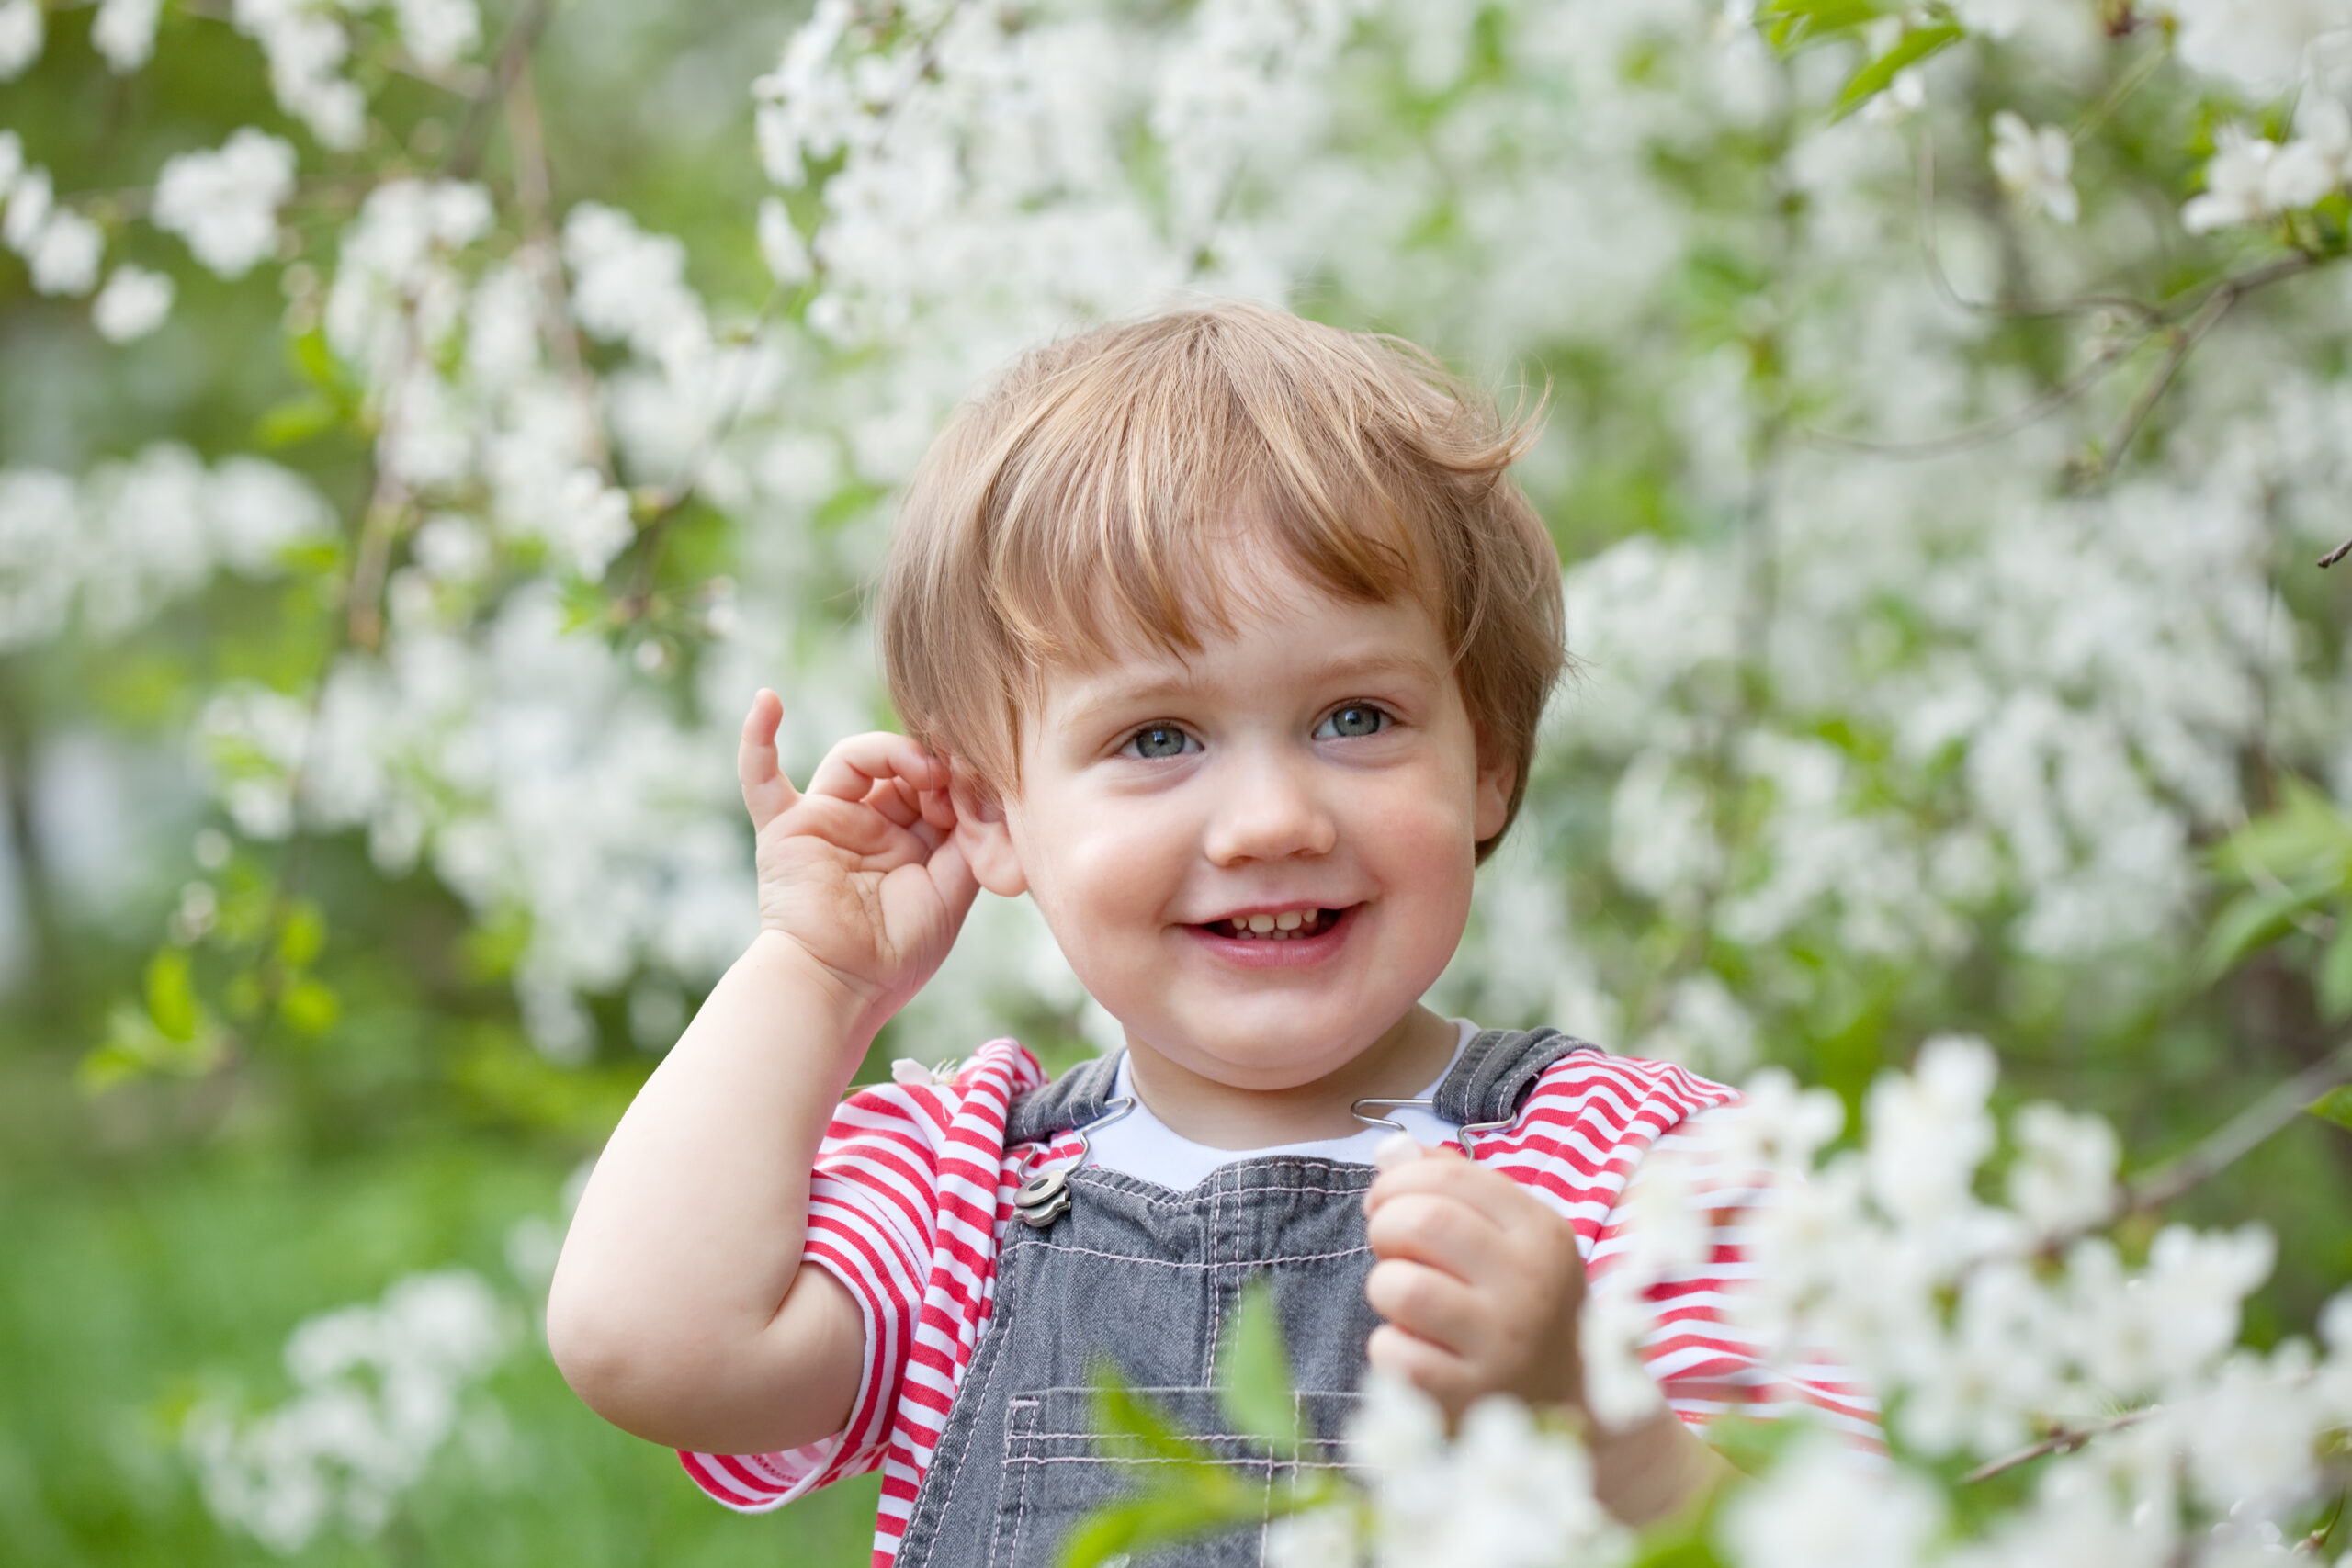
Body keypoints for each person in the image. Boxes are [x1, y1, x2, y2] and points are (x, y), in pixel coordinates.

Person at [546, 302, 1873, 1567]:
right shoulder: (961, 1201)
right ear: (996, 811)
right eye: (1157, 738)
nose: (1268, 821)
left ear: (1491, 759)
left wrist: (1597, 1425)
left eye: (1355, 716)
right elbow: (647, 1343)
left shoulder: (1633, 1170)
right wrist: (820, 974)